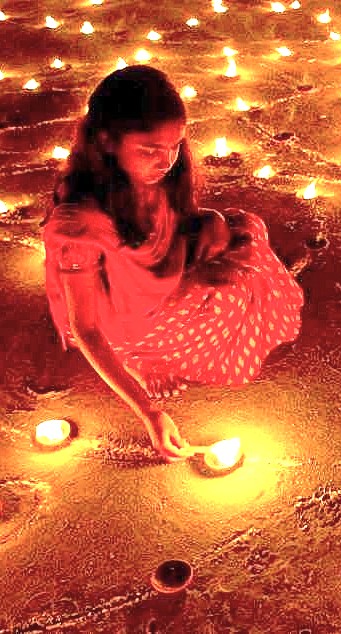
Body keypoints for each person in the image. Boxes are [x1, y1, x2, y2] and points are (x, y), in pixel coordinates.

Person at [42, 66, 304, 460]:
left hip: (156, 276)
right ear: (107, 141)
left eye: (175, 146)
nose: (166, 161)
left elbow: (173, 221)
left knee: (242, 231)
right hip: (124, 321)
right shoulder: (81, 225)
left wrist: (206, 227)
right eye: (150, 150)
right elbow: (87, 327)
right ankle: (145, 359)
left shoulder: (153, 176)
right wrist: (150, 412)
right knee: (232, 294)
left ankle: (165, 334)